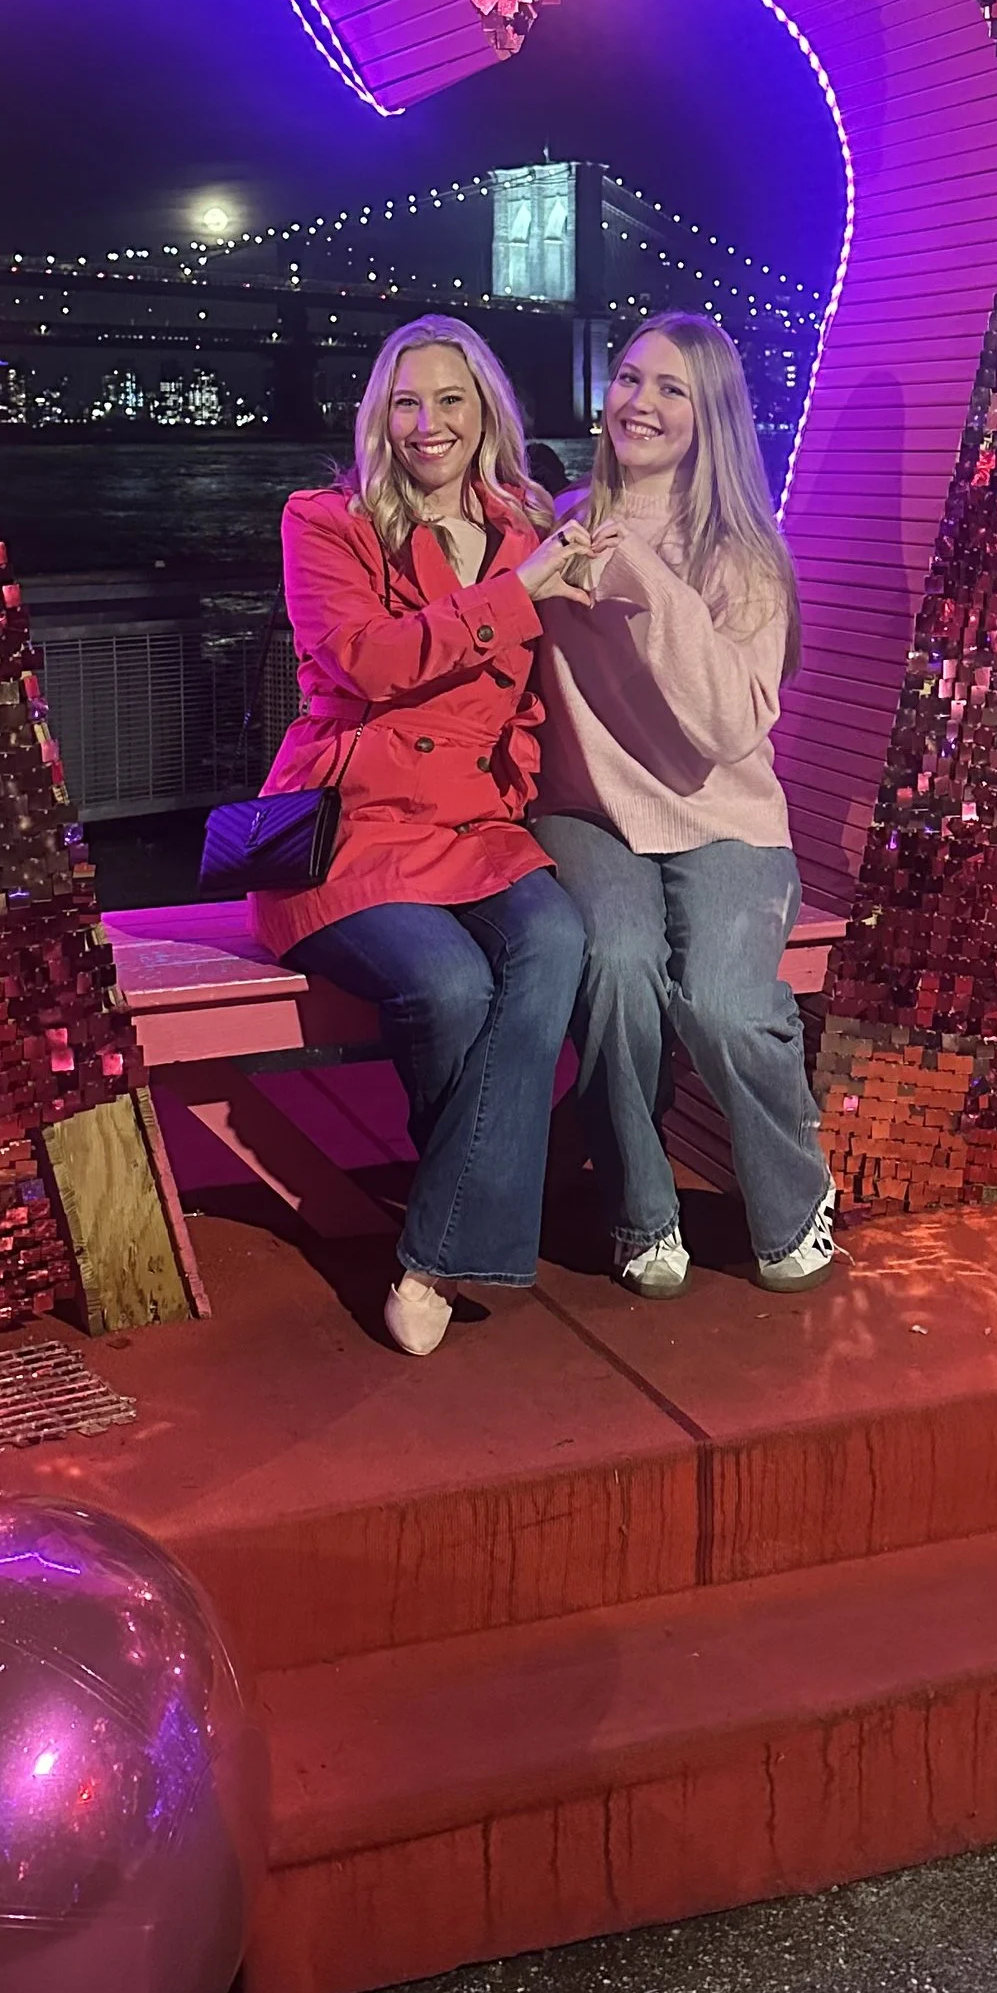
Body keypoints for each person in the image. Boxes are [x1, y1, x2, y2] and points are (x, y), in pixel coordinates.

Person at [254, 316, 595, 1357]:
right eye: (406, 401)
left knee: (555, 942)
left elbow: (533, 704)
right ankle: (458, 1237)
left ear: (485, 409)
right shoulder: (326, 520)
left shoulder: (527, 527)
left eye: (450, 399)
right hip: (343, 826)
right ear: (377, 414)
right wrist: (519, 594)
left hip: (475, 823)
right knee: (448, 988)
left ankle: (436, 1246)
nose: (427, 423)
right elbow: (369, 661)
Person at [532, 312, 836, 1295]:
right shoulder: (559, 527)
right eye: (628, 379)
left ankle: (794, 1202)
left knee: (723, 1002)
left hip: (725, 821)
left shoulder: (741, 554)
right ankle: (638, 1208)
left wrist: (644, 581)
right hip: (587, 815)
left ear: (710, 417)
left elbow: (726, 729)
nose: (642, 404)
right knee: (616, 967)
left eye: (671, 389)